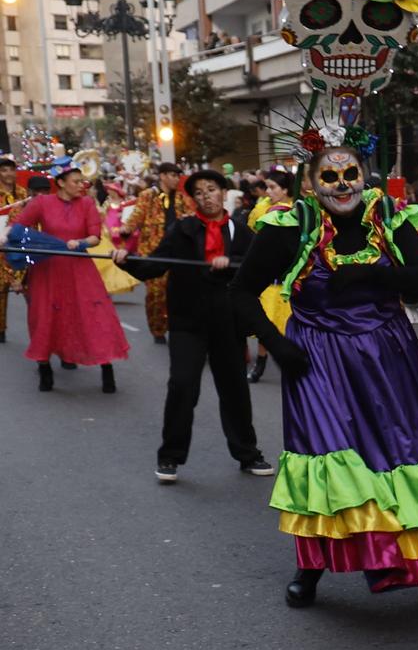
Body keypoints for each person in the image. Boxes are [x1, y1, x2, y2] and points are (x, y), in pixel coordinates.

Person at [230, 145, 418, 618]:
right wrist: (277, 343)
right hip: (317, 360)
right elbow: (241, 293)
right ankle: (310, 568)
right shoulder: (290, 227)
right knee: (330, 462)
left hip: (387, 356)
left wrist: (376, 274)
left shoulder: (388, 217)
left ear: (365, 176)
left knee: (409, 457)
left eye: (351, 173)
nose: (342, 184)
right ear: (310, 183)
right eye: (329, 176)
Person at [113, 169, 272, 483]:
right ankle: (170, 456)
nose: (206, 197)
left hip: (228, 323)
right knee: (183, 386)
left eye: (211, 190)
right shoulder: (182, 229)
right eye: (198, 193)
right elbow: (155, 264)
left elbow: (259, 273)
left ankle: (247, 453)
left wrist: (231, 266)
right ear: (193, 198)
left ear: (223, 192)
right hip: (188, 322)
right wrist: (126, 260)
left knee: (235, 390)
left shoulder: (242, 233)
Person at [15, 166, 130, 393]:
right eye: (76, 181)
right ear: (61, 182)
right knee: (45, 316)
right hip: (48, 269)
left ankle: (107, 368)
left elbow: (95, 236)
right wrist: (15, 241)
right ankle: (45, 369)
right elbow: (18, 227)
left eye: (82, 182)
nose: (81, 186)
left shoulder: (87, 204)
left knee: (96, 315)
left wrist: (81, 243)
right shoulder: (41, 203)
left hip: (80, 268)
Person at [123, 163, 189, 344]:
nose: (176, 179)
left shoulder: (182, 199)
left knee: (179, 292)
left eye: (178, 176)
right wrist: (125, 229)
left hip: (177, 252)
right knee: (156, 294)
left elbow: (191, 218)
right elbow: (135, 218)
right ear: (162, 176)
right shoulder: (147, 196)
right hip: (153, 252)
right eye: (172, 175)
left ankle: (178, 326)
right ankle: (158, 329)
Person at [246, 170, 297, 383]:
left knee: (292, 326)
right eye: (267, 187)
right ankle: (260, 363)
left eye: (273, 188)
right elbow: (252, 228)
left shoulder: (299, 210)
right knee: (265, 325)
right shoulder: (264, 210)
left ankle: (294, 363)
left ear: (285, 190)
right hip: (270, 280)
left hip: (290, 280)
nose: (268, 192)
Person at [0, 157, 21, 343]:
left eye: (11, 170)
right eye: (4, 170)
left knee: (32, 291)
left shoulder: (23, 193)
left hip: (23, 246)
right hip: (1, 248)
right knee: (1, 291)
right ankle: (0, 329)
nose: (9, 174)